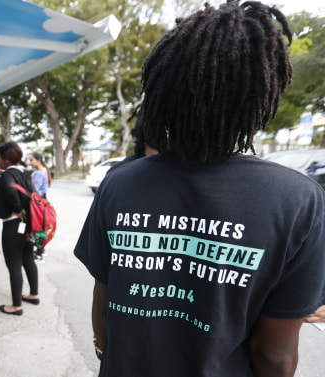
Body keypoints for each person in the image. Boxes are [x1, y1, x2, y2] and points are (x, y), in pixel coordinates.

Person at [74, 2, 325, 377]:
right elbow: (274, 354)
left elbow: (103, 296)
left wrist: (102, 349)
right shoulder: (297, 201)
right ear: (262, 93)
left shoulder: (120, 183)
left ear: (165, 88)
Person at [0, 141, 39, 315]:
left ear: (5, 160)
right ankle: (33, 294)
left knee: (14, 264)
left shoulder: (7, 174)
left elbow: (11, 193)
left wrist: (18, 209)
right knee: (28, 259)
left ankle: (16, 305)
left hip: (14, 223)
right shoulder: (26, 173)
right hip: (29, 223)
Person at [28, 152, 51, 263]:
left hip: (37, 203)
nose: (30, 162)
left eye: (31, 160)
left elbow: (34, 190)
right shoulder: (43, 171)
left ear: (38, 160)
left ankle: (39, 253)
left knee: (38, 227)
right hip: (42, 202)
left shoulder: (39, 173)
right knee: (41, 226)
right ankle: (40, 250)